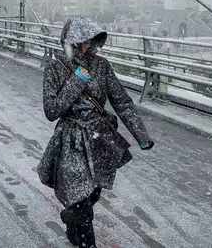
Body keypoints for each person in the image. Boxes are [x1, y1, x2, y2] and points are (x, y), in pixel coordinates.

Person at [38, 16, 154, 248]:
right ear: (70, 41)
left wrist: (142, 135)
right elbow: (51, 110)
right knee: (81, 203)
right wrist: (77, 80)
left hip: (99, 136)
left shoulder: (102, 65)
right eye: (81, 42)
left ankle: (72, 221)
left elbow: (122, 102)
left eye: (89, 41)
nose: (86, 47)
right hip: (71, 139)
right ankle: (85, 240)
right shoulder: (54, 68)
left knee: (91, 196)